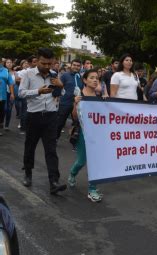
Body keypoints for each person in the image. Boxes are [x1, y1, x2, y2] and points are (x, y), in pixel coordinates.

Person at [18, 48, 67, 194]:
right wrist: (38, 91)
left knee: (51, 150)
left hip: (51, 116)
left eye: (49, 64)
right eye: (44, 63)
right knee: (30, 147)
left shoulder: (54, 73)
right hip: (34, 116)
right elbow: (21, 93)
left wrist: (60, 86)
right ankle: (28, 173)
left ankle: (54, 181)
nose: (47, 66)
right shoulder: (28, 74)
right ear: (37, 60)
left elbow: (60, 93)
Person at [68, 69, 103, 202]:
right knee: (82, 161)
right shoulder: (79, 95)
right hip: (83, 133)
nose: (95, 80)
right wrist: (76, 103)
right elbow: (74, 117)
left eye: (97, 78)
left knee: (95, 161)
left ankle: (92, 188)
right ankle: (72, 173)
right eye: (92, 78)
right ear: (84, 80)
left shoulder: (100, 97)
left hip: (97, 134)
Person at [57, 59, 83, 140]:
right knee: (60, 122)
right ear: (71, 65)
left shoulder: (81, 77)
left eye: (78, 65)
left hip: (77, 103)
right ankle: (55, 138)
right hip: (65, 102)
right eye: (74, 65)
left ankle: (74, 142)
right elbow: (59, 87)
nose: (76, 67)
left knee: (77, 124)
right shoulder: (65, 75)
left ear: (80, 67)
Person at [1, 59, 16, 134]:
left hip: (7, 94)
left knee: (7, 110)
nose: (9, 64)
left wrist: (12, 93)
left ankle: (5, 125)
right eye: (7, 62)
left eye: (11, 62)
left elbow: (12, 83)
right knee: (4, 110)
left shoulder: (10, 72)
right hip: (3, 93)